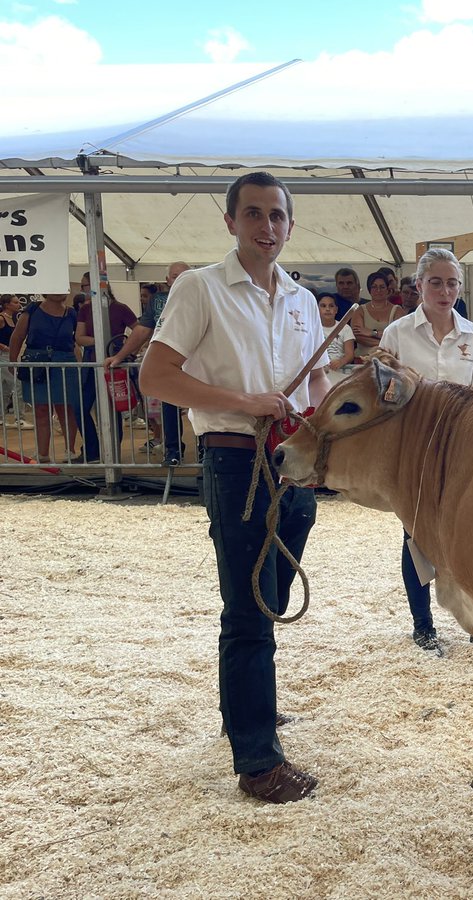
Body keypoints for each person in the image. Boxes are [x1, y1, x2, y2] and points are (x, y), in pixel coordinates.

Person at [139, 171, 332, 805]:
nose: (266, 226)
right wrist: (245, 401)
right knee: (248, 611)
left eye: (276, 215)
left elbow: (319, 387)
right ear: (230, 222)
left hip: (293, 467)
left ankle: (249, 706)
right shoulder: (200, 287)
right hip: (234, 459)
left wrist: (328, 443)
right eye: (253, 214)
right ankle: (256, 761)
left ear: (289, 225)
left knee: (271, 597)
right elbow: (156, 377)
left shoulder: (304, 301)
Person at [378, 248, 473, 653]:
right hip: (413, 452)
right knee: (415, 535)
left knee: (469, 538)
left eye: (452, 283)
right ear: (419, 286)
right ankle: (422, 624)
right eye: (436, 282)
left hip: (464, 452)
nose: (444, 291)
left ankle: (472, 621)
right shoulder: (397, 334)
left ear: (460, 289)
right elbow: (384, 395)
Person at [105, 261, 190, 465]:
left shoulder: (204, 295)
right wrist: (120, 355)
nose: (180, 280)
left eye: (185, 275)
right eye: (175, 276)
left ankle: (205, 450)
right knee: (168, 406)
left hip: (197, 361)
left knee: (203, 407)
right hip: (169, 361)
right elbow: (143, 329)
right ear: (167, 280)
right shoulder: (158, 300)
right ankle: (173, 450)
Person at [7, 293, 81, 462]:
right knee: (40, 408)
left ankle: (70, 450)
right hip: (36, 361)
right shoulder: (32, 309)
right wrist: (12, 361)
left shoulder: (71, 313)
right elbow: (18, 336)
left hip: (64, 362)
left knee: (66, 407)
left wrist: (79, 365)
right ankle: (43, 453)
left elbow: (75, 341)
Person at [75, 277, 138, 462]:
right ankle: (92, 449)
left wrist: (127, 349)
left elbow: (139, 330)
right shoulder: (85, 309)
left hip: (114, 365)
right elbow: (79, 337)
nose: (83, 290)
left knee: (113, 408)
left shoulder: (120, 308)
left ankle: (113, 451)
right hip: (92, 363)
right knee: (81, 407)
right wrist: (102, 340)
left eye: (85, 286)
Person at [1, 294, 33, 428]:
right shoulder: (1, 318)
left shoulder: (12, 319)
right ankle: (19, 418)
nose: (18, 304)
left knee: (5, 388)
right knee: (17, 384)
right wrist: (4, 347)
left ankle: (1, 417)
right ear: (7, 304)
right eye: (15, 302)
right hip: (3, 355)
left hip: (9, 355)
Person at [352, 271, 401, 354]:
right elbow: (358, 336)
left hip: (389, 360)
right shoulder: (360, 311)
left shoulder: (397, 311)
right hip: (363, 360)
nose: (378, 290)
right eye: (374, 287)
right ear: (369, 289)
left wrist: (372, 333)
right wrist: (385, 345)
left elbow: (398, 337)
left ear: (387, 289)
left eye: (382, 287)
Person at [318, 293, 355, 382]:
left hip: (340, 371)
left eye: (331, 306)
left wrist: (341, 362)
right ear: (317, 309)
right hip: (319, 373)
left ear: (336, 310)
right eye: (323, 306)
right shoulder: (312, 328)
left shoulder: (345, 328)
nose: (327, 309)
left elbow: (350, 355)